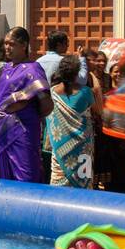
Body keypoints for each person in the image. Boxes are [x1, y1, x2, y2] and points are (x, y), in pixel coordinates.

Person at [0, 27, 54, 182]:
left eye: (11, 44)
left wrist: (27, 111)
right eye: (6, 43)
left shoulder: (33, 69)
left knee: (26, 173)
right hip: (3, 132)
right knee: (4, 175)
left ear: (24, 45)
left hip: (23, 131)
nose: (7, 47)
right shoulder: (4, 68)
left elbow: (46, 103)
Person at [35, 31, 88, 178]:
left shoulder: (38, 62)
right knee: (60, 145)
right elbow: (82, 80)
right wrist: (82, 58)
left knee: (46, 143)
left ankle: (47, 177)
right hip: (60, 112)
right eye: (66, 44)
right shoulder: (62, 63)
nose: (67, 47)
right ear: (59, 45)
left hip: (42, 109)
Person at [46, 55, 103, 188]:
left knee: (59, 181)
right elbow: (98, 111)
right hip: (83, 148)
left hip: (60, 148)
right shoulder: (86, 92)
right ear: (78, 73)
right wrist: (94, 79)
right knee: (83, 183)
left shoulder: (52, 92)